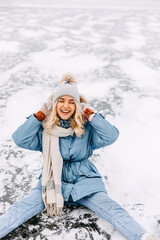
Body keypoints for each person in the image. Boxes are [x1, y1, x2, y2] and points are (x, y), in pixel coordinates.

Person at [0, 73, 159, 240]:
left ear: (77, 105)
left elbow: (111, 136)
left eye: (71, 101)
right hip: (51, 183)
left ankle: (143, 236)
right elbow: (20, 139)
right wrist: (40, 114)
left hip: (85, 182)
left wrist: (91, 115)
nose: (66, 106)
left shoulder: (88, 128)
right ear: (54, 105)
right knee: (19, 209)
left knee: (112, 209)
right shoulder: (45, 129)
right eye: (61, 100)